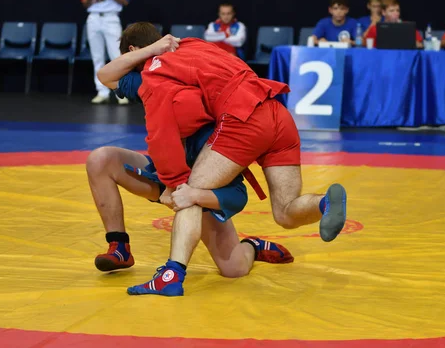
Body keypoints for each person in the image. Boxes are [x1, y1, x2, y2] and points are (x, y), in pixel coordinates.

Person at [98, 23, 348, 296]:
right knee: (286, 212)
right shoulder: (192, 44)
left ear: (135, 52)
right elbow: (107, 75)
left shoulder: (156, 74)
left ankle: (171, 274)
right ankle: (323, 203)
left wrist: (173, 183)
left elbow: (160, 134)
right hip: (275, 110)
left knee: (187, 193)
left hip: (243, 117)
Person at [80, 0, 130, 104]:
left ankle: (122, 92)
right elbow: (84, 3)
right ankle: (102, 92)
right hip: (94, 18)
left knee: (116, 56)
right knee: (97, 57)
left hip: (111, 17)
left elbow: (125, 0)